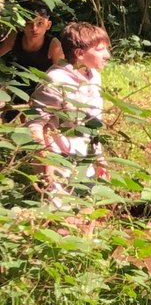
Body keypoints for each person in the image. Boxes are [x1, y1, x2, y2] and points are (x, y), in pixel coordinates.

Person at [28, 21, 111, 198]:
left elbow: (92, 122)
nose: (107, 55)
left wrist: (99, 158)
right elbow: (35, 124)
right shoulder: (55, 81)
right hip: (58, 165)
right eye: (100, 50)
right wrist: (46, 166)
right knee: (62, 221)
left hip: (85, 160)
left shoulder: (94, 76)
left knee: (87, 215)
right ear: (79, 54)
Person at [1, 6, 62, 117]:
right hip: (19, 84)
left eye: (39, 23)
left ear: (48, 25)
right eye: (29, 23)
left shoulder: (53, 45)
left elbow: (62, 73)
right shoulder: (14, 38)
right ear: (22, 24)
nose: (34, 28)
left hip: (44, 86)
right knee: (7, 116)